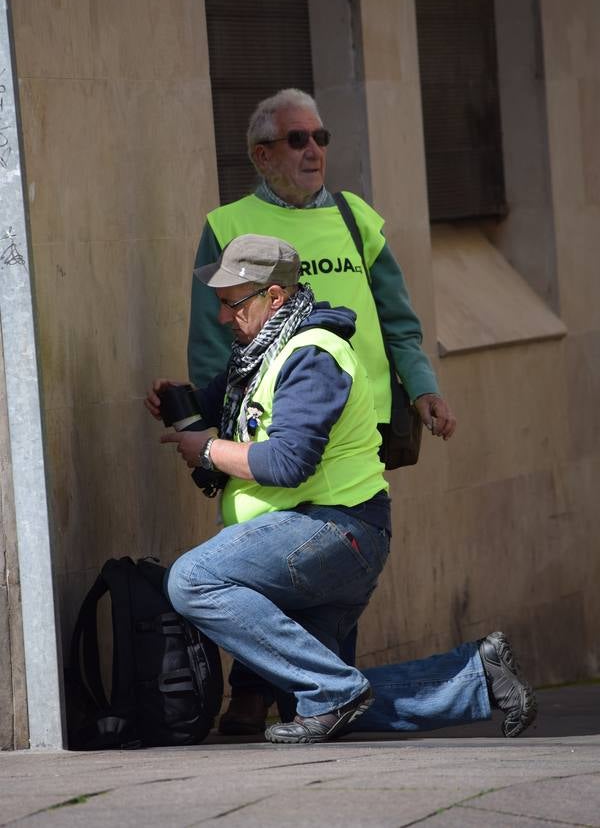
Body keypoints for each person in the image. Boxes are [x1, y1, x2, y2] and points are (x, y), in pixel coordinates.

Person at [146, 235, 536, 743]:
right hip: (312, 540)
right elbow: (226, 405)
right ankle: (479, 677)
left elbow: (289, 461)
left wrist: (207, 450)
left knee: (192, 580)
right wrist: (182, 400)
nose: (223, 318)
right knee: (313, 701)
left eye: (232, 303)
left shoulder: (313, 355)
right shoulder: (259, 354)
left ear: (276, 297)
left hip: (332, 533)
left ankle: (332, 691)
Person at [187, 88, 457, 733]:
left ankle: (299, 691)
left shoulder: (357, 217)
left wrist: (421, 389)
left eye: (321, 138)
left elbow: (398, 317)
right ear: (261, 155)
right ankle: (275, 692)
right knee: (276, 542)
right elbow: (209, 340)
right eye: (297, 140)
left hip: (356, 419)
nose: (314, 152)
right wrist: (213, 424)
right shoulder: (228, 225)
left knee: (307, 548)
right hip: (273, 414)